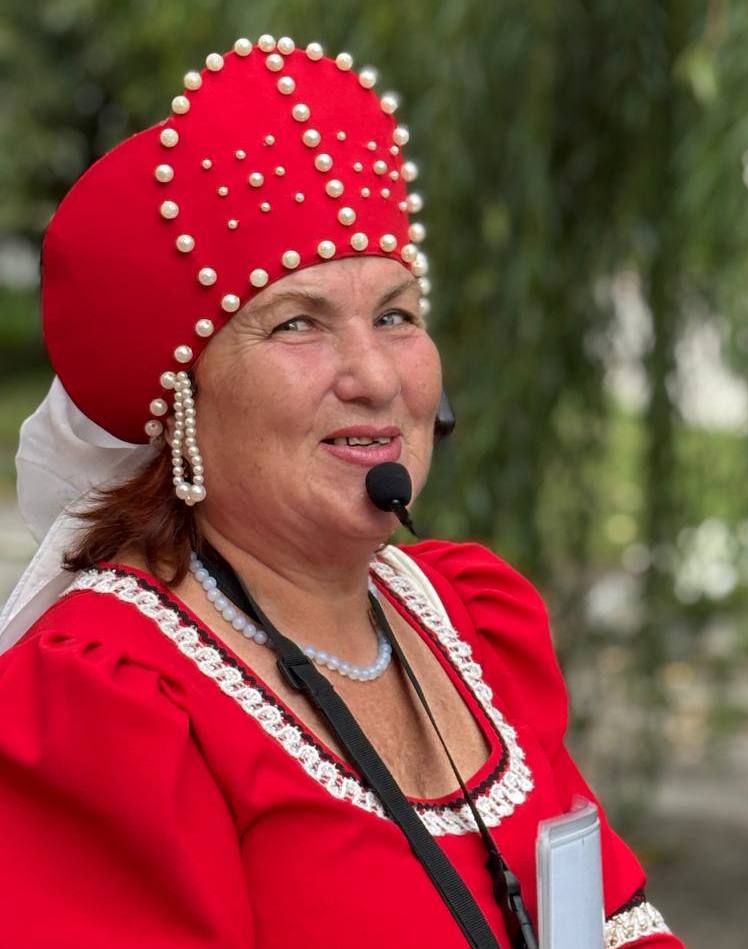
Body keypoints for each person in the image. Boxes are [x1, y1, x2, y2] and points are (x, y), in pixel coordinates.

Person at [0, 33, 683, 949]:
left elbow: (615, 922)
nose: (376, 375)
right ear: (184, 396)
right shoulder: (110, 698)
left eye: (396, 314)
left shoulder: (472, 618)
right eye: (298, 324)